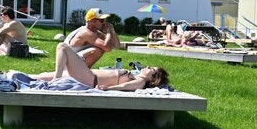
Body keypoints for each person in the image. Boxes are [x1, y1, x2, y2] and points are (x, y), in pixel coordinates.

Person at [34, 42, 169, 91]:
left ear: (153, 78)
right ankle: (55, 78)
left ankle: (57, 79)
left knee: (62, 46)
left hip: (90, 79)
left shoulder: (140, 81)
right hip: (86, 75)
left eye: (151, 69)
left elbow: (125, 86)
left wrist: (108, 88)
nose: (148, 67)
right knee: (41, 76)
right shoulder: (136, 75)